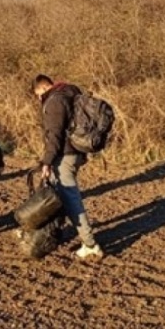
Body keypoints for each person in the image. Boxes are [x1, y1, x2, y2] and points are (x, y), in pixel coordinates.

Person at [32, 74, 103, 260]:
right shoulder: (72, 92)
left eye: (37, 94)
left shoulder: (54, 102)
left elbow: (54, 136)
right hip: (77, 153)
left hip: (65, 156)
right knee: (60, 195)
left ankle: (90, 244)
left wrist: (46, 162)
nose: (39, 99)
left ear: (42, 88)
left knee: (70, 198)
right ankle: (55, 233)